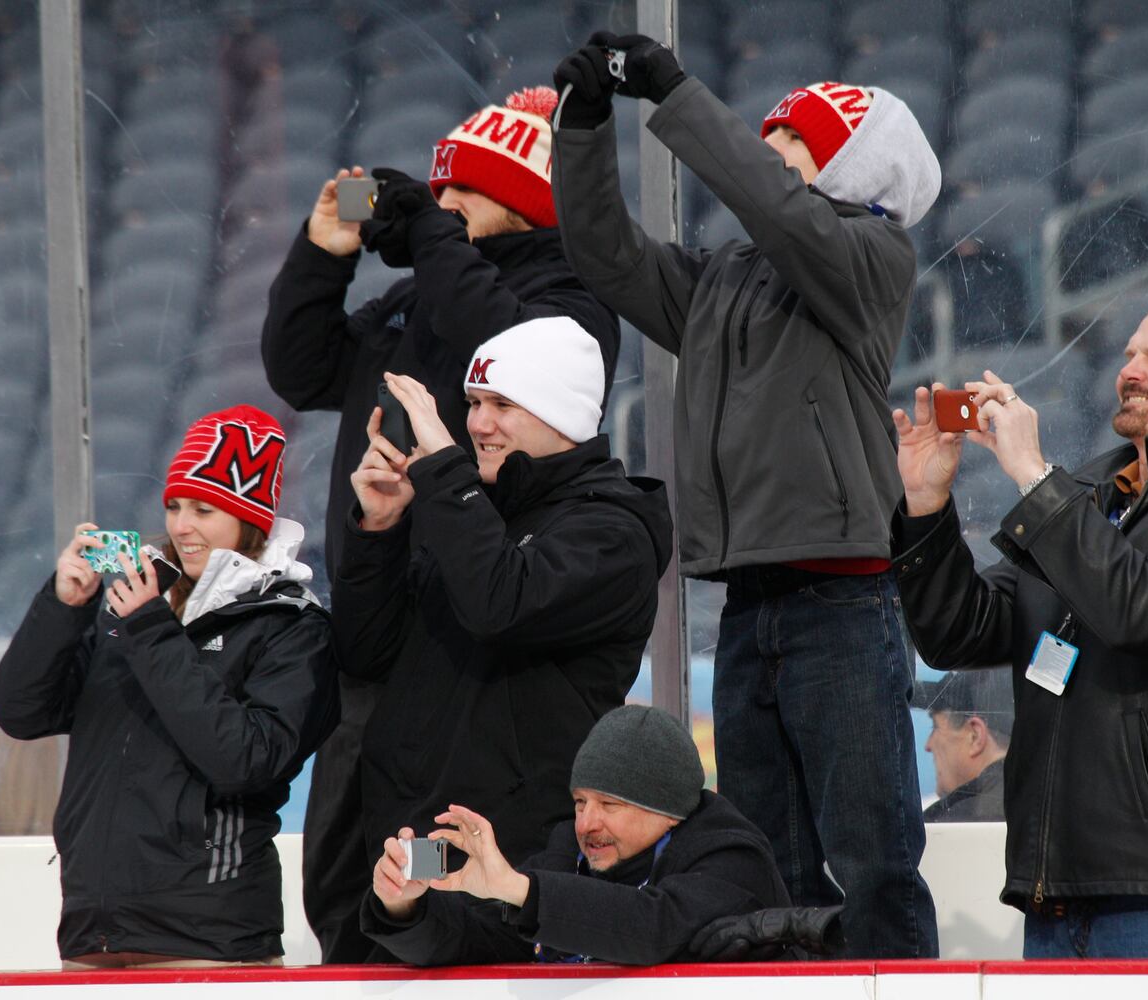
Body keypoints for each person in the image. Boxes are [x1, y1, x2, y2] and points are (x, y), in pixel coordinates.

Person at [550, 34, 942, 957]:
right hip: (749, 603)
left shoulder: (876, 254)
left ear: (851, 166)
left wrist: (674, 93)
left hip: (843, 599)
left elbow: (780, 212)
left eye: (789, 143)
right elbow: (606, 256)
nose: (768, 155)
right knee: (766, 861)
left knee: (872, 854)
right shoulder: (733, 276)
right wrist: (585, 122)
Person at [259, 86, 619, 962]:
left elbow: (502, 350)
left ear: (521, 201)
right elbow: (302, 369)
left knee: (449, 867)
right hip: (381, 612)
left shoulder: (567, 297)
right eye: (434, 194)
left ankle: (413, 949)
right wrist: (325, 250)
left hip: (476, 634)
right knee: (349, 849)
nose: (441, 209)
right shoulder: (417, 299)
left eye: (461, 196)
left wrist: (426, 231)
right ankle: (357, 951)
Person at [891, 294, 1148, 958]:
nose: (1130, 370)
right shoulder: (1085, 500)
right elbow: (958, 632)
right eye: (1131, 353)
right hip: (1054, 894)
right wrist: (925, 505)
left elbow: (1144, 609)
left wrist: (1031, 473)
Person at [331, 316, 673, 940]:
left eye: (502, 405)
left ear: (563, 416)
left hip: (512, 857)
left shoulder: (613, 533)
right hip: (411, 844)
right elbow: (364, 654)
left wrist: (444, 474)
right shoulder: (469, 510)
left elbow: (501, 603)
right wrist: (377, 533)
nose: (478, 424)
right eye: (472, 403)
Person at [0, 405, 338, 968]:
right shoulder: (131, 603)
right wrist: (65, 605)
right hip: (92, 933)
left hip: (208, 941)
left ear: (250, 518)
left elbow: (245, 759)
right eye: (173, 506)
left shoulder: (290, 625)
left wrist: (150, 629)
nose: (180, 525)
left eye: (203, 508)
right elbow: (19, 712)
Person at [362, 703, 789, 965]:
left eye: (610, 805)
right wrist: (405, 906)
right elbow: (484, 942)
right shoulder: (568, 850)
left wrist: (519, 889)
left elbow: (651, 928)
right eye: (580, 802)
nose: (586, 824)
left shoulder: (730, 855)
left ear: (670, 812)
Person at [916, 670, 1012, 823]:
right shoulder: (1038, 801)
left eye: (935, 727)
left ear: (975, 736)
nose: (928, 745)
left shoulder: (963, 820)